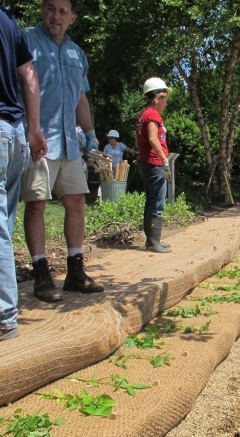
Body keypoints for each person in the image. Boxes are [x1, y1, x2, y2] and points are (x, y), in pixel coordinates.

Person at [19, 0, 104, 303]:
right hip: (38, 140)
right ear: (42, 9)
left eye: (62, 11)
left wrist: (91, 136)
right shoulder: (25, 40)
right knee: (37, 203)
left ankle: (75, 273)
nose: (56, 16)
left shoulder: (76, 53)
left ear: (73, 18)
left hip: (69, 141)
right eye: (50, 8)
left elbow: (81, 98)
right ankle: (42, 275)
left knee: (77, 202)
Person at [0, 5, 47, 340]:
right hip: (14, 133)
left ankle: (4, 316)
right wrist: (33, 129)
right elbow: (28, 72)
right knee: (5, 222)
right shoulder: (6, 19)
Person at [136, 77, 172, 253]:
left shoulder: (143, 115)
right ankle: (154, 242)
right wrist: (164, 160)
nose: (166, 102)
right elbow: (152, 138)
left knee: (151, 201)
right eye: (165, 98)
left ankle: (152, 240)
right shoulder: (152, 115)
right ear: (158, 97)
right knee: (157, 202)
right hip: (154, 163)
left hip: (146, 162)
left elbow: (138, 143)